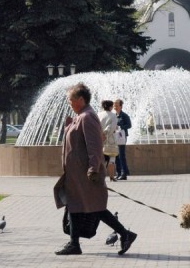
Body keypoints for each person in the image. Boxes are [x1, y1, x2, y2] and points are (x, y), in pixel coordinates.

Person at [54, 83, 137, 256]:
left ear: (81, 99)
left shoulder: (88, 117)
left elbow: (95, 146)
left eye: (71, 99)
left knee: (95, 207)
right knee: (76, 206)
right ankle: (74, 244)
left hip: (86, 175)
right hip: (77, 175)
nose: (69, 102)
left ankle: (124, 234)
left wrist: (93, 169)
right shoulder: (81, 116)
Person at [98, 100, 119, 182]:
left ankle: (101, 176)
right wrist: (106, 135)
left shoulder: (98, 115)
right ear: (110, 107)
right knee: (112, 158)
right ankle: (111, 176)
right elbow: (113, 127)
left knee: (102, 159)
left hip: (99, 139)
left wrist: (101, 135)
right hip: (110, 140)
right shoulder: (113, 116)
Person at [114, 99, 131, 180]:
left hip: (122, 137)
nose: (115, 107)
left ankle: (124, 173)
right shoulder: (114, 115)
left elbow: (129, 125)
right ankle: (118, 173)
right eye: (114, 105)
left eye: (117, 105)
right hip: (115, 137)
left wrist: (121, 127)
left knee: (121, 155)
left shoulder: (124, 115)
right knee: (116, 155)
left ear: (121, 106)